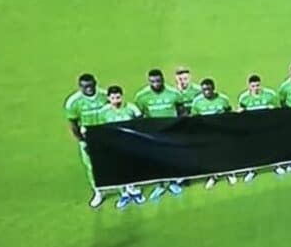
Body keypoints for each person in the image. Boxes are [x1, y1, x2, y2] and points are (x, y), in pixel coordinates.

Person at [134, 69, 186, 200]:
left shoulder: (174, 93)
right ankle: (161, 185)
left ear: (163, 79)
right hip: (154, 134)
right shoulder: (141, 96)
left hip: (172, 132)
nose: (156, 84)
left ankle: (173, 182)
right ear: (149, 81)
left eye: (158, 81)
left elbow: (182, 112)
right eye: (152, 81)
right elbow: (139, 116)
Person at [64, 73, 108, 208]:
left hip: (106, 135)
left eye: (90, 85)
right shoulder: (73, 102)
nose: (88, 88)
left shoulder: (105, 96)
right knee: (92, 167)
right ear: (80, 86)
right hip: (88, 137)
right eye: (85, 86)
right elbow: (73, 124)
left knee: (114, 162)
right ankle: (98, 192)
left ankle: (123, 189)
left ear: (95, 83)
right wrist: (82, 141)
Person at [99, 86, 145, 209]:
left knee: (133, 168)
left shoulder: (132, 108)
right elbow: (102, 129)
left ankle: (135, 192)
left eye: (118, 97)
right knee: (119, 169)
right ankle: (124, 194)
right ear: (108, 98)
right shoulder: (103, 112)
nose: (116, 100)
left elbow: (140, 123)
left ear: (122, 96)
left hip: (131, 143)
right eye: (113, 98)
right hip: (115, 145)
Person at [190, 78, 233, 188]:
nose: (207, 92)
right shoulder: (197, 102)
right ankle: (213, 176)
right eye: (204, 90)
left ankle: (229, 173)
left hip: (221, 132)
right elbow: (194, 119)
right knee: (210, 156)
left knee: (225, 153)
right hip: (206, 133)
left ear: (213, 88)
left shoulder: (223, 99)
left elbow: (230, 114)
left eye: (209, 89)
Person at [236, 74, 279, 182]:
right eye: (253, 86)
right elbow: (240, 112)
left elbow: (278, 111)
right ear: (249, 86)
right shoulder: (243, 98)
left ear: (260, 85)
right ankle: (251, 170)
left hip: (267, 127)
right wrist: (240, 112)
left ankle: (276, 166)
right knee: (252, 150)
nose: (255, 88)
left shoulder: (270, 95)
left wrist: (273, 109)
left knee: (271, 146)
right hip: (252, 128)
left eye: (257, 85)